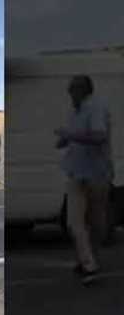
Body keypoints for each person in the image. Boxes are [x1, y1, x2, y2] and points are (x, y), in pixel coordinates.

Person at [54, 75, 113, 285]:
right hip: (76, 174)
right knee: (74, 221)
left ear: (83, 91)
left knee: (96, 223)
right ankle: (88, 265)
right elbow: (70, 138)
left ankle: (88, 259)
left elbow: (99, 137)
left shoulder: (95, 109)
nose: (70, 95)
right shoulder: (74, 112)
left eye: (72, 91)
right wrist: (63, 139)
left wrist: (71, 135)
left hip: (97, 174)